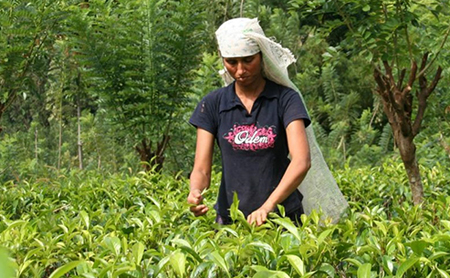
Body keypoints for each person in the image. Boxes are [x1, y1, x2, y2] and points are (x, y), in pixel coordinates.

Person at [188, 18, 348, 227]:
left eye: (248, 60)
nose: (240, 70)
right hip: (232, 221)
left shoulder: (285, 99)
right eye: (232, 62)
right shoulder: (213, 104)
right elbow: (201, 169)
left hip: (283, 217)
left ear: (261, 56)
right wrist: (195, 192)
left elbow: (301, 160)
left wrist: (268, 205)